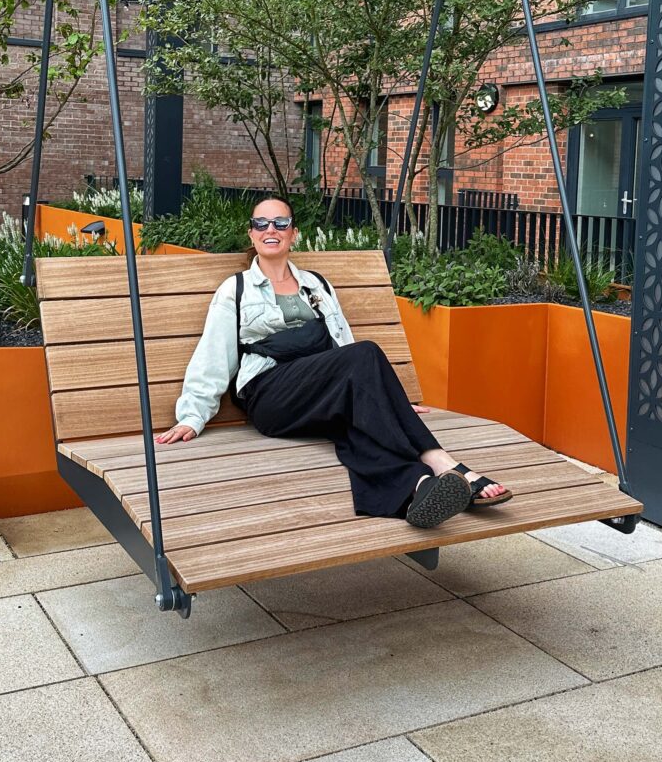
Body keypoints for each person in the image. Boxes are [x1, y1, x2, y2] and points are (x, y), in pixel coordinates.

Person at [154, 196, 511, 528]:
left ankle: (416, 489)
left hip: (321, 394)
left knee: (358, 424)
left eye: (280, 223)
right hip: (272, 397)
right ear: (251, 233)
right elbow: (213, 354)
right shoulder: (236, 289)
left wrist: (388, 400)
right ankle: (443, 462)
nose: (270, 230)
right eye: (261, 223)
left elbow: (342, 344)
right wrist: (192, 416)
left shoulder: (316, 285)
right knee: (366, 353)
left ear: (294, 233)